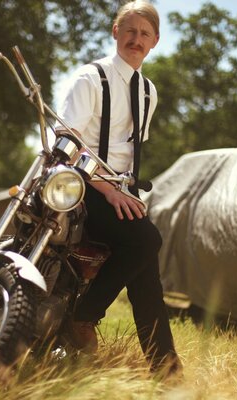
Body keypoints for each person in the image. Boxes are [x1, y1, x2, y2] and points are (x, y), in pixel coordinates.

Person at [56, 0, 181, 376]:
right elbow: (67, 142)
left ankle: (167, 373)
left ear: (155, 41)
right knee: (146, 242)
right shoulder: (90, 78)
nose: (136, 39)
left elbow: (129, 152)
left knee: (147, 277)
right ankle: (84, 316)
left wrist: (123, 192)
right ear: (115, 32)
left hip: (118, 193)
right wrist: (106, 190)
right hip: (80, 188)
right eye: (130, 30)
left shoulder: (148, 93)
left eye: (145, 34)